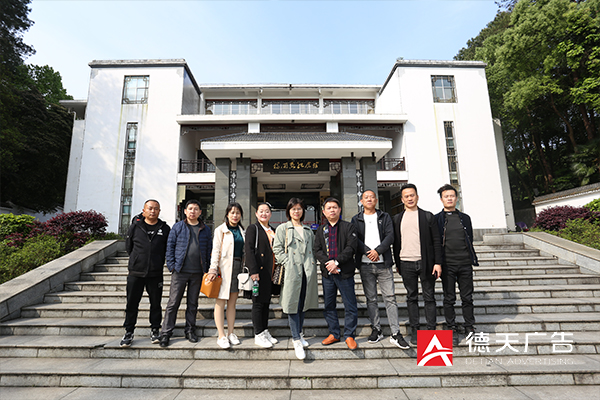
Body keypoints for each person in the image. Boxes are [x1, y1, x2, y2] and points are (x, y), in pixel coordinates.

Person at [351, 190, 409, 349]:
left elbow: (390, 236)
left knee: (390, 298)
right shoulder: (356, 219)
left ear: (376, 200)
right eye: (366, 197)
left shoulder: (385, 216)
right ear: (361, 201)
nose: (369, 199)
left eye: (372, 197)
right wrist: (368, 252)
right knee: (371, 299)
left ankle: (395, 333)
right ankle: (376, 329)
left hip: (384, 264)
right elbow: (355, 239)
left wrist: (378, 251)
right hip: (365, 265)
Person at [392, 183, 443, 346]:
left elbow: (436, 241)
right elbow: (396, 243)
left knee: (429, 297)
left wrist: (438, 263)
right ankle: (415, 330)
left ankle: (431, 330)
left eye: (412, 195)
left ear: (417, 197)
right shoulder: (397, 219)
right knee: (411, 297)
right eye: (406, 196)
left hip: (426, 263)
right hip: (405, 262)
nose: (410, 198)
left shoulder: (428, 216)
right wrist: (397, 263)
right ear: (402, 199)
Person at [159, 199, 212, 347]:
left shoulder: (205, 229)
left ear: (200, 212)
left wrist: (207, 268)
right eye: (190, 209)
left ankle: (190, 330)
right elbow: (170, 247)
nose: (192, 211)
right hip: (180, 271)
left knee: (192, 304)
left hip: (197, 272)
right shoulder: (178, 227)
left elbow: (209, 249)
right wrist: (172, 266)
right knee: (173, 303)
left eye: (196, 209)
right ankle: (166, 333)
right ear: (185, 211)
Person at [274, 198, 319, 360]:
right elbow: (277, 248)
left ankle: (299, 333)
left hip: (307, 270)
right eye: (293, 209)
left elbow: (313, 250)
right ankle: (295, 339)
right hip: (292, 271)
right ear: (289, 211)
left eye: (299, 209)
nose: (296, 211)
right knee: (292, 303)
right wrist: (287, 262)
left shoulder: (308, 230)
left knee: (303, 303)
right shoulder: (283, 228)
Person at [121, 199, 170, 347]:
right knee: (132, 303)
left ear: (159, 211)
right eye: (150, 208)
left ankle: (155, 330)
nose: (153, 211)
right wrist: (137, 260)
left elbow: (167, 248)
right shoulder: (135, 227)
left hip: (155, 273)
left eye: (156, 208)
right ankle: (129, 331)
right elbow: (129, 247)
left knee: (155, 304)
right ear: (144, 210)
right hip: (136, 272)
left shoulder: (164, 228)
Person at [435, 184, 479, 345]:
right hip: (447, 265)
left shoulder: (465, 218)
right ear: (441, 199)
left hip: (465, 263)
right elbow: (436, 242)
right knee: (449, 298)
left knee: (467, 297)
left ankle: (469, 326)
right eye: (446, 196)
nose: (449, 199)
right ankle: (451, 327)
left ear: (456, 198)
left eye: (452, 196)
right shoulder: (437, 219)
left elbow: (470, 239)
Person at [314, 197, 359, 350]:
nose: (332, 210)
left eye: (335, 207)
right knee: (329, 305)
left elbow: (351, 248)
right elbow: (317, 250)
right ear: (324, 212)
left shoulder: (348, 227)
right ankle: (334, 333)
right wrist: (329, 264)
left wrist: (337, 262)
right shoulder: (321, 230)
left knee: (350, 304)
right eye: (329, 208)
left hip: (344, 272)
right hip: (328, 274)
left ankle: (349, 335)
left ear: (339, 210)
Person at [206, 202, 245, 349]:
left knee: (232, 303)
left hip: (237, 268)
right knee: (220, 301)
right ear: (227, 214)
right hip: (223, 269)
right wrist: (213, 269)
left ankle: (231, 333)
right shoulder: (220, 230)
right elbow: (215, 250)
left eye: (238, 213)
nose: (235, 215)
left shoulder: (242, 231)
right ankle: (221, 335)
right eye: (232, 212)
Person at [245, 202, 279, 348]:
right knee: (258, 303)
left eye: (267, 211)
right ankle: (258, 334)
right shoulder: (253, 228)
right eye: (261, 211)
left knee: (266, 302)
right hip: (258, 271)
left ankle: (264, 331)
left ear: (270, 214)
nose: (264, 214)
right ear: (256, 214)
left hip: (270, 272)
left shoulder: (273, 230)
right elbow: (249, 250)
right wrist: (253, 271)